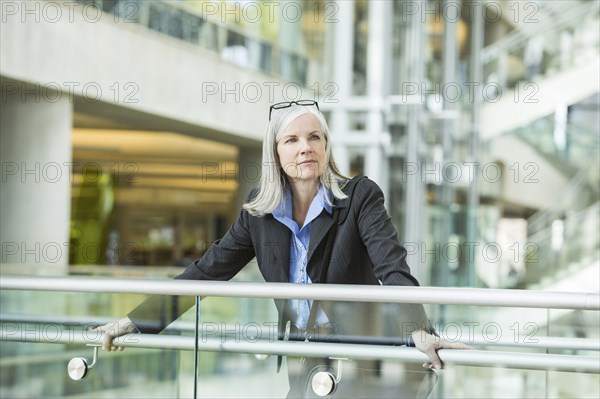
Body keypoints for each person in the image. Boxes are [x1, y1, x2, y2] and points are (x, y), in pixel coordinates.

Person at [95, 100, 469, 396]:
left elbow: (392, 266)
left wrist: (420, 329)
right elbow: (208, 272)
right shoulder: (260, 211)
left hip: (366, 356)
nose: (305, 148)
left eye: (314, 138)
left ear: (326, 145)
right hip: (307, 354)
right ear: (275, 153)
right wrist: (135, 321)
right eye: (292, 140)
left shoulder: (359, 196)